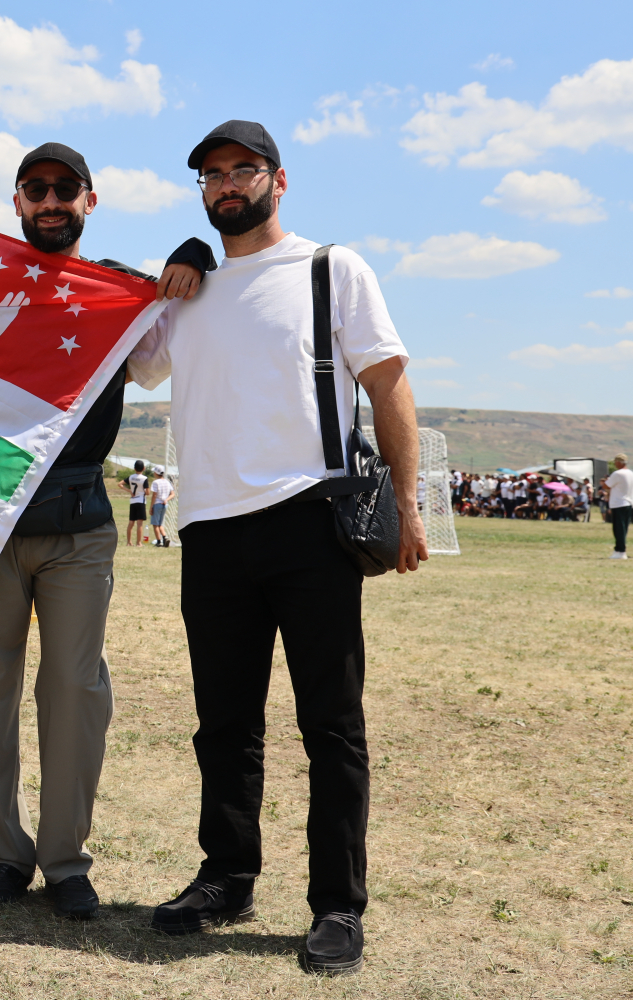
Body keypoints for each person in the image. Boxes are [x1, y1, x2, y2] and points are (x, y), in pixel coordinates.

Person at [131, 120, 427, 976]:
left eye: (243, 170)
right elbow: (130, 361)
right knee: (223, 724)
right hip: (208, 528)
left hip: (309, 521)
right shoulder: (188, 290)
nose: (227, 184)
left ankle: (337, 905)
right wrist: (169, 274)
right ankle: (227, 877)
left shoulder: (333, 269)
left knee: (330, 724)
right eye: (212, 175)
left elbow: (388, 383)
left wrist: (408, 503)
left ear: (279, 179)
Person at [0, 141, 213, 921]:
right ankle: (6, 856)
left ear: (89, 201)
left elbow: (173, 336)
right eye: (35, 189)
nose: (50, 201)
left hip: (78, 527)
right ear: (17, 201)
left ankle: (65, 861)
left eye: (65, 189)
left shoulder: (115, 295)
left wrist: (196, 258)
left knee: (74, 692)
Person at [602, 455, 633, 559]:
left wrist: (607, 481)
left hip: (619, 503)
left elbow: (606, 485)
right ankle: (618, 549)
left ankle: (621, 550)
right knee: (623, 528)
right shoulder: (631, 473)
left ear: (619, 462)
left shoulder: (617, 473)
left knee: (618, 529)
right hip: (628, 502)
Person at [121, 460, 149, 546]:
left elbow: (120, 484)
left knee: (131, 522)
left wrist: (129, 490)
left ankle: (129, 542)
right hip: (140, 501)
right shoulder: (144, 478)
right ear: (144, 468)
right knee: (139, 523)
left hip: (133, 501)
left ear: (134, 468)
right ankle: (138, 542)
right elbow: (148, 492)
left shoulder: (131, 477)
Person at [149, 466, 175, 547]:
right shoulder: (167, 482)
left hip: (157, 504)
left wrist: (151, 507)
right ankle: (165, 537)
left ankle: (159, 541)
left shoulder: (155, 482)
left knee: (155, 524)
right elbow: (172, 494)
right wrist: (166, 500)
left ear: (156, 473)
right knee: (160, 524)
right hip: (165, 504)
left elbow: (154, 495)